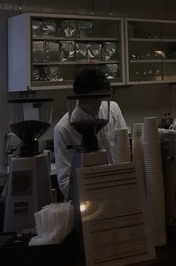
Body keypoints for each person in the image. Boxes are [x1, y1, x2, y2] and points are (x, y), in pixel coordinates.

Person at [53, 67, 127, 199]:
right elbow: (65, 182)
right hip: (84, 199)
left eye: (101, 97)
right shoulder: (64, 129)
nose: (98, 104)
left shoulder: (113, 110)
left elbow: (124, 154)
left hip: (118, 191)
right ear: (80, 98)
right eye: (93, 99)